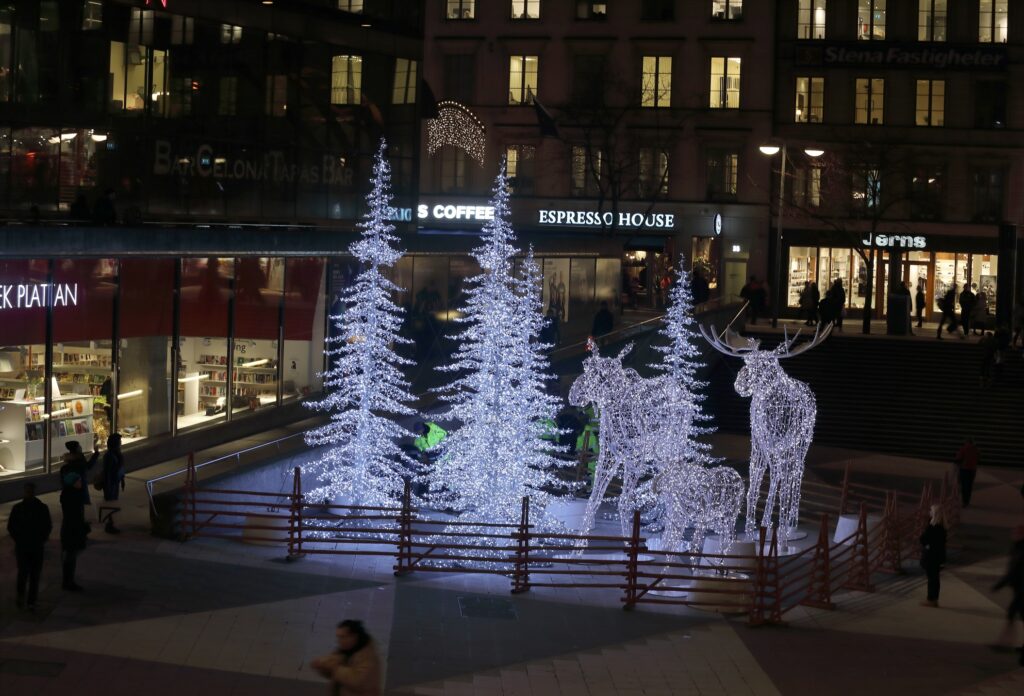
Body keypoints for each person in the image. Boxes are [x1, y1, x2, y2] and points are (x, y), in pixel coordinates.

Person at [7, 482, 52, 610]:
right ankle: (30, 600)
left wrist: (19, 539)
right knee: (33, 574)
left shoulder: (19, 508)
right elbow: (47, 526)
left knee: (25, 573)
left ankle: (23, 598)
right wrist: (41, 539)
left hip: (25, 545)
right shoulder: (41, 508)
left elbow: (11, 527)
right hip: (33, 545)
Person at [311, 619, 381, 695]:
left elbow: (358, 681)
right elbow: (332, 673)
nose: (339, 641)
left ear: (354, 636)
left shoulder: (368, 656)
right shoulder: (343, 650)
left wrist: (335, 668)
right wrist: (322, 667)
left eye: (343, 637)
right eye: (338, 637)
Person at [992, 526, 1024, 664]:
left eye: (1018, 532)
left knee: (1013, 613)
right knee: (1014, 614)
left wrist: (1000, 584)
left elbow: (1015, 570)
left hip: (1023, 588)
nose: (1014, 534)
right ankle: (1008, 642)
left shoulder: (1022, 549)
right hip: (1019, 588)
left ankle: (1006, 642)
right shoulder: (1017, 547)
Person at [59, 459, 90, 591]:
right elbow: (75, 516)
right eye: (78, 481)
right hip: (72, 530)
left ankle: (68, 581)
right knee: (70, 557)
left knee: (70, 556)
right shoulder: (73, 497)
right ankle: (68, 582)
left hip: (70, 529)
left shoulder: (69, 495)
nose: (81, 482)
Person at [920, 504, 947, 608]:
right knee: (936, 579)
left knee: (931, 579)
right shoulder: (943, 527)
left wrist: (927, 546)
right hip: (939, 556)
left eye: (931, 511)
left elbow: (923, 539)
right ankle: (935, 599)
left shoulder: (932, 527)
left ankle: (930, 599)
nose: (929, 512)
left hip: (931, 557)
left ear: (934, 514)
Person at [99, 434, 126, 534]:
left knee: (113, 503)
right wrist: (108, 485)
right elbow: (108, 472)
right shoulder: (109, 455)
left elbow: (120, 468)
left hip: (115, 482)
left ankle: (111, 524)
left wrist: (122, 480)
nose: (121, 443)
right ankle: (109, 524)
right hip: (111, 483)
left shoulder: (117, 453)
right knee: (111, 504)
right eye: (119, 441)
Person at [954, 437, 980, 508]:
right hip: (972, 470)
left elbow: (958, 458)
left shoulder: (963, 448)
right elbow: (978, 459)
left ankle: (964, 501)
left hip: (964, 469)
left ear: (967, 442)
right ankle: (967, 501)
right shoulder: (976, 450)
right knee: (969, 486)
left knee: (964, 486)